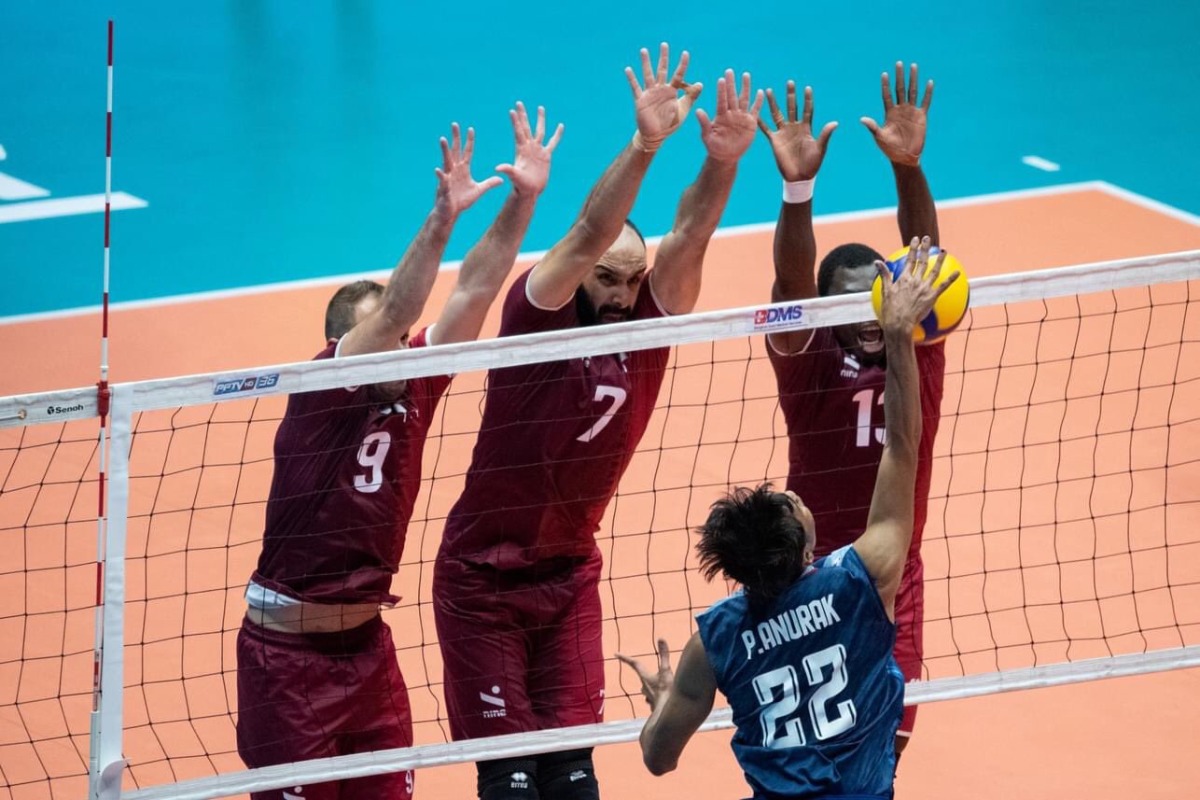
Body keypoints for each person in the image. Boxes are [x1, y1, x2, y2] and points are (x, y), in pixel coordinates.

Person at [432, 43, 762, 800]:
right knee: (513, 782)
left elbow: (692, 237)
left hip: (571, 572)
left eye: (630, 280)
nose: (618, 293)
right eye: (605, 279)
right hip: (482, 578)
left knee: (575, 779)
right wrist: (647, 144)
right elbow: (585, 232)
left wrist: (720, 163)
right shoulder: (536, 315)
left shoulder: (646, 324)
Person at [236, 106, 562, 800]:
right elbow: (392, 315)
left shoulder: (415, 378)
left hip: (366, 651)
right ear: (338, 353)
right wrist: (441, 218)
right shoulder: (322, 394)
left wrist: (523, 200)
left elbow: (475, 287)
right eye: (382, 336)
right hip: (287, 661)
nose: (400, 342)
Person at [618, 238, 959, 799]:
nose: (796, 497)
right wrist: (900, 336)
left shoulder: (714, 639)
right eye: (792, 503)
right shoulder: (857, 584)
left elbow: (658, 758)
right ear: (806, 550)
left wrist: (662, 707)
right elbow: (902, 446)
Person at [756, 63, 942, 753]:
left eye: (878, 300)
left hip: (897, 578)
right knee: (807, 757)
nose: (870, 318)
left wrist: (908, 168)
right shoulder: (803, 364)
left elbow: (927, 254)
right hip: (804, 581)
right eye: (848, 304)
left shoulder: (912, 342)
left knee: (884, 752)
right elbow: (790, 283)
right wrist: (797, 192)